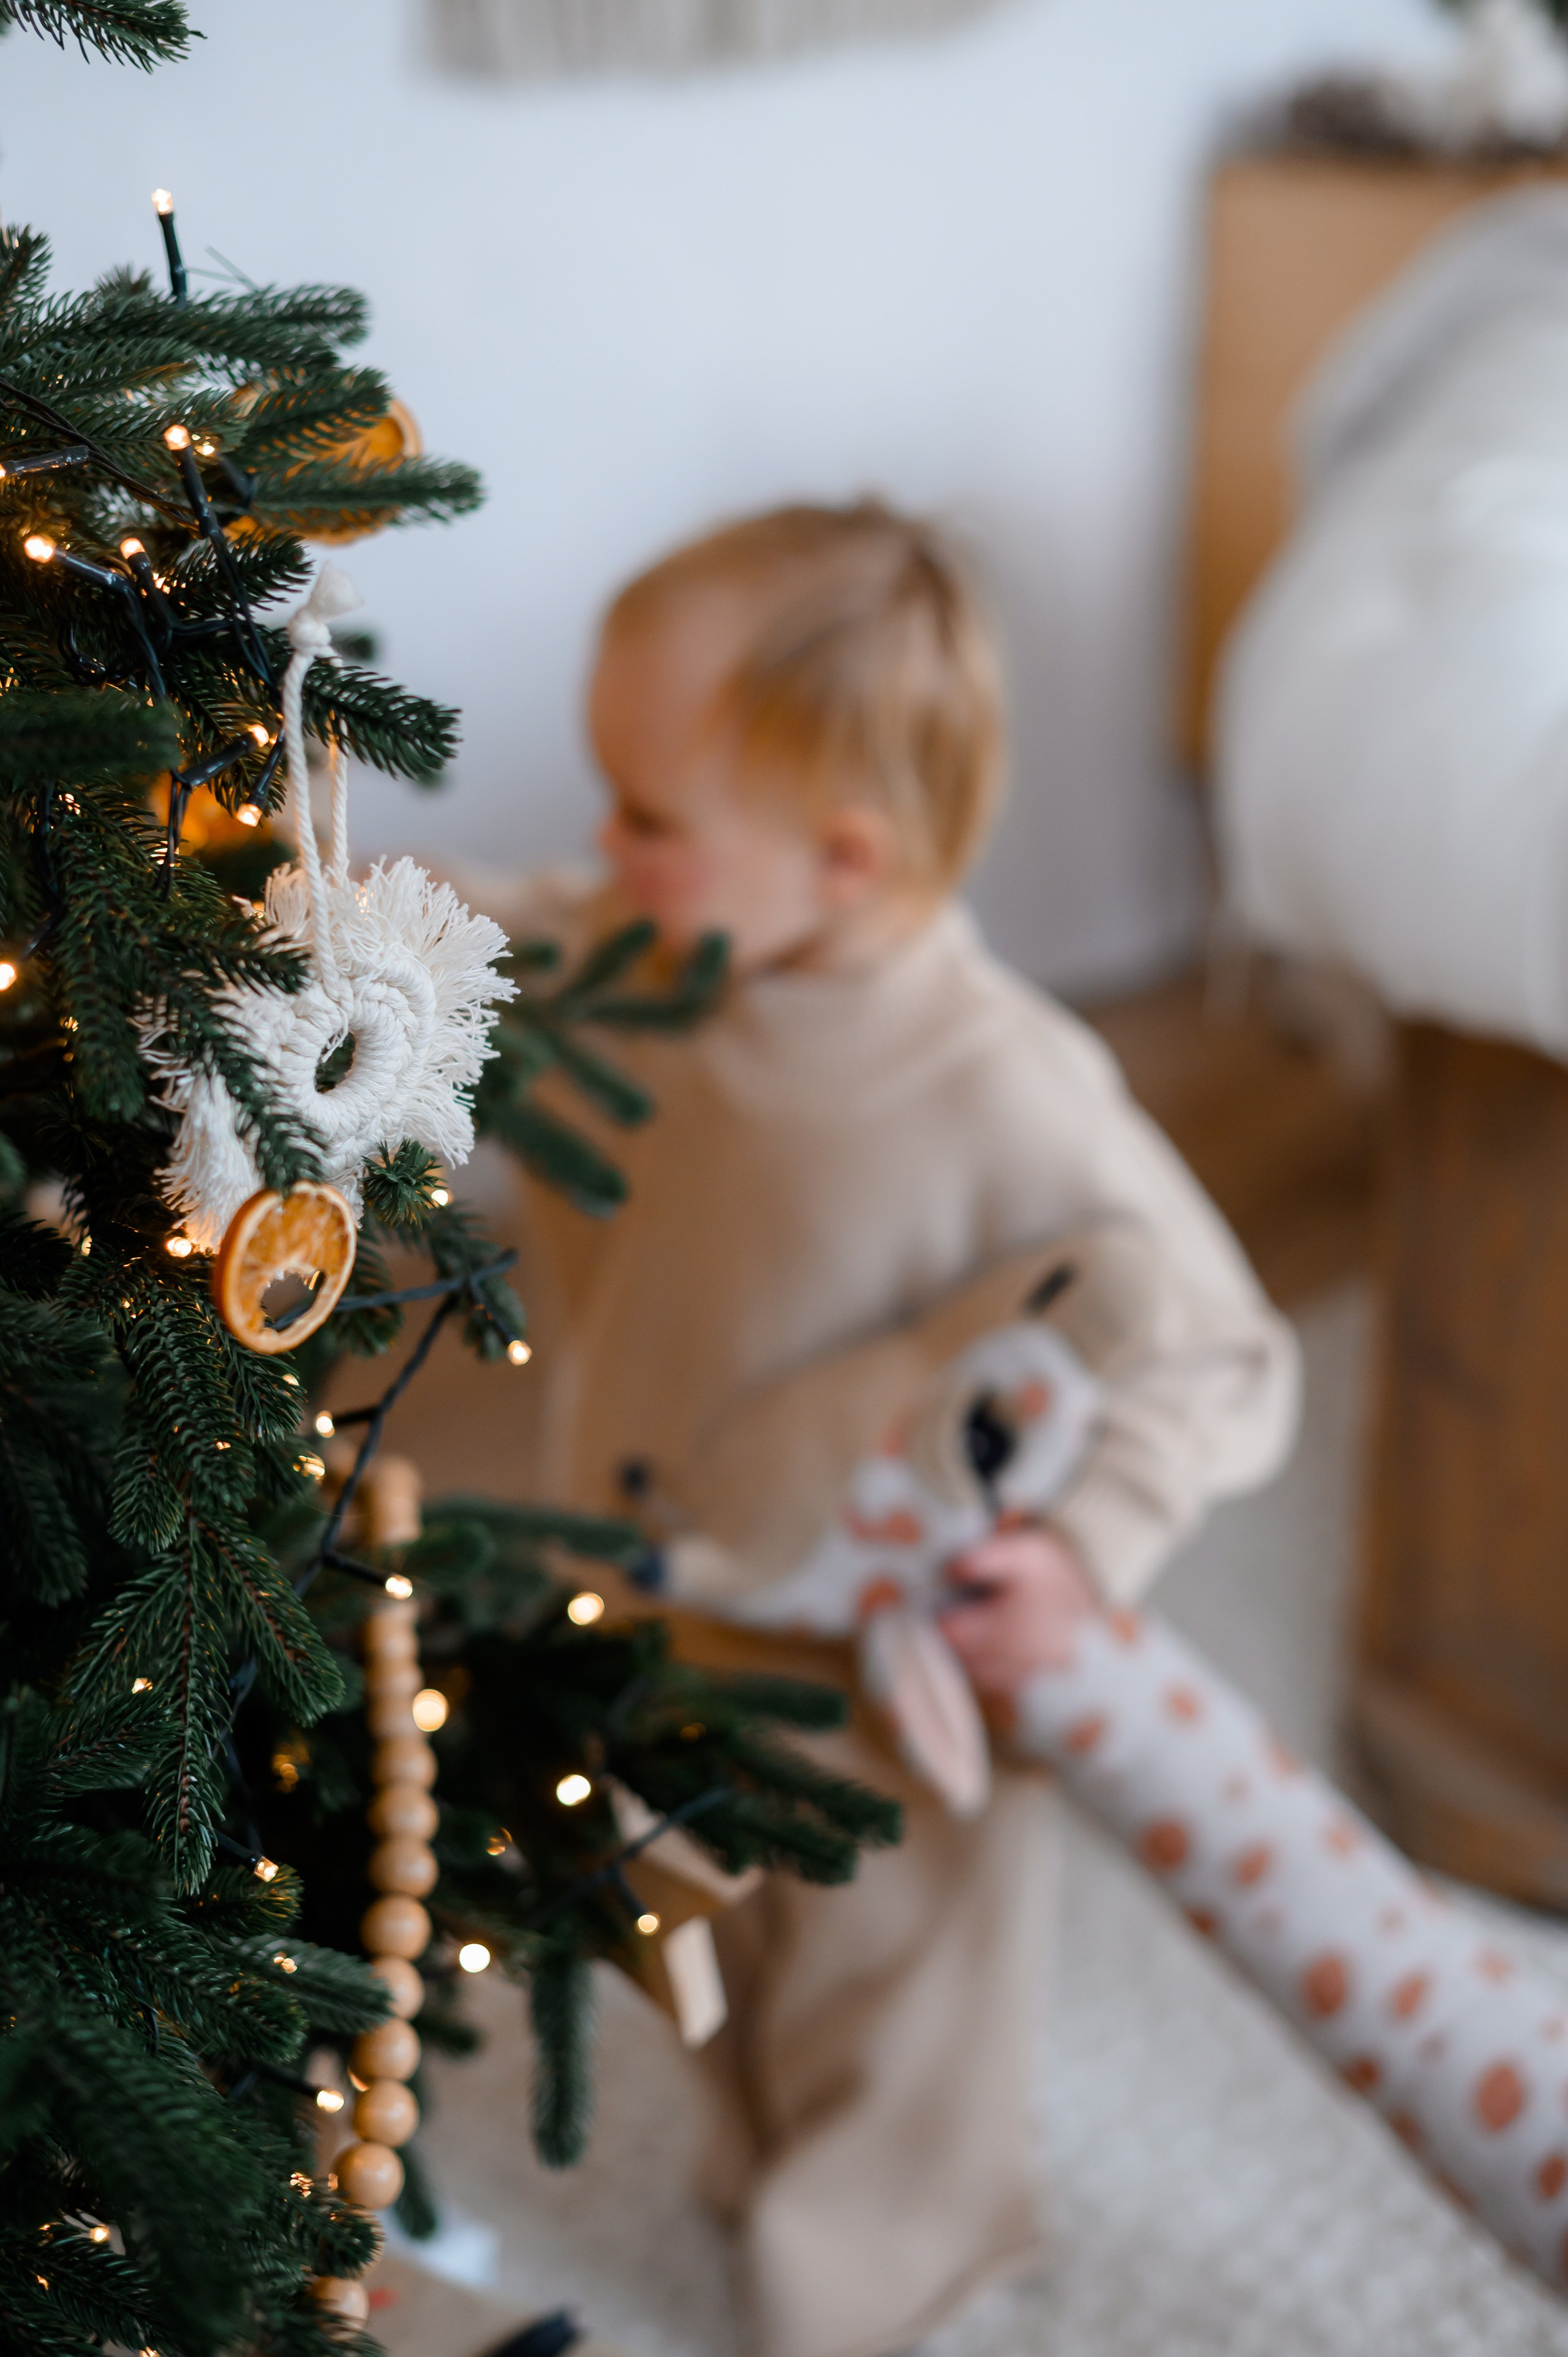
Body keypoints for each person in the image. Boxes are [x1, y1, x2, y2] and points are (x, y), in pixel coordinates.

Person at [491, 500, 1300, 2357]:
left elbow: (1220, 1355)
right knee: (716, 1943)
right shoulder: (668, 947)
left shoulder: (1014, 1089)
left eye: (648, 814)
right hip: (668, 1590)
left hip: (888, 1660)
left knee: (892, 2013)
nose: (603, 845)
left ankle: (886, 2284)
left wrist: (1078, 1558)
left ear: (845, 858)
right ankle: (752, 2166)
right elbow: (533, 927)